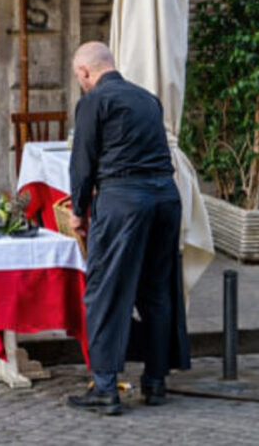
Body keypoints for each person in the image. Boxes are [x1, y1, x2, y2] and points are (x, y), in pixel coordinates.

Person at [65, 41, 190, 415]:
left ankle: (105, 386)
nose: (80, 83)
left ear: (86, 72)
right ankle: (155, 382)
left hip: (123, 200)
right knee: (157, 291)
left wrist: (78, 210)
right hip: (166, 198)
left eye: (78, 77)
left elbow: (83, 162)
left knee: (106, 291)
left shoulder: (93, 102)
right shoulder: (148, 99)